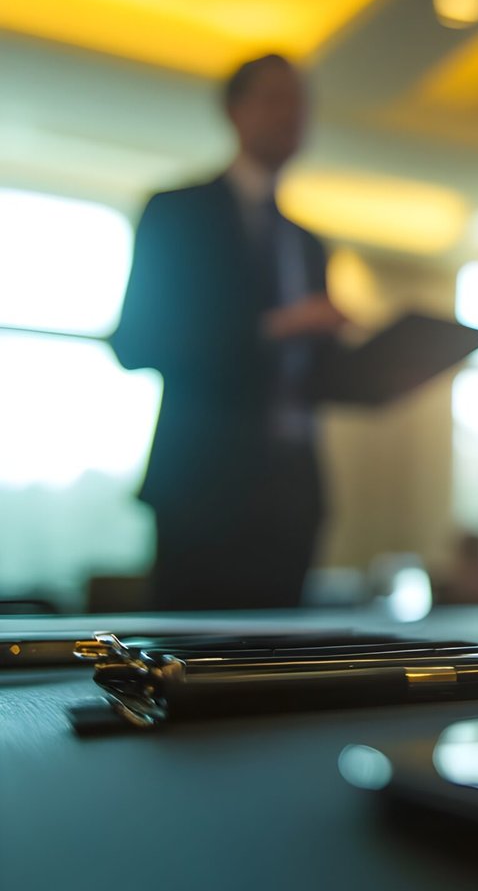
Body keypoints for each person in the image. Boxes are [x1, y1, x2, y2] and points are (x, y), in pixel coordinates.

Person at [112, 54, 345, 610]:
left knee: (281, 674)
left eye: (301, 101)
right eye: (276, 98)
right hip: (203, 484)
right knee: (185, 665)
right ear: (235, 112)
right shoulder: (177, 213)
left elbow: (313, 375)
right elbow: (137, 340)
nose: (293, 114)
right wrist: (275, 326)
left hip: (295, 491)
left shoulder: (309, 245)